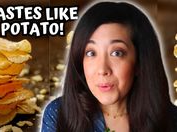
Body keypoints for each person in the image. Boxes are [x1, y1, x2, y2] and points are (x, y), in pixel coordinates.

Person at [41, 1, 177, 132]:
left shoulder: (171, 119)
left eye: (117, 53)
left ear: (140, 62)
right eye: (91, 53)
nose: (102, 70)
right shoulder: (58, 114)